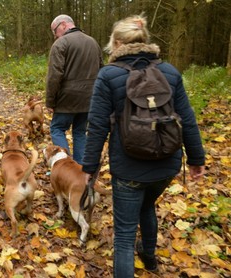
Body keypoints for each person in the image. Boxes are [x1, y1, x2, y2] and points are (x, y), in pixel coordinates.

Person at [81, 15, 205, 277]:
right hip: (166, 164)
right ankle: (149, 258)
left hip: (129, 168)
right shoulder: (169, 72)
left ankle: (142, 256)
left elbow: (97, 127)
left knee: (124, 236)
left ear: (116, 43)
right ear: (144, 40)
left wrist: (89, 167)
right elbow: (188, 120)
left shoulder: (108, 75)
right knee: (147, 206)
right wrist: (196, 160)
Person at [46, 14, 103, 164]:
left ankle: (65, 166)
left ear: (63, 25)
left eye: (55, 31)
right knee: (80, 132)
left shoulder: (60, 44)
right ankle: (80, 171)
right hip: (89, 98)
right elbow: (102, 70)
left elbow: (54, 76)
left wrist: (50, 102)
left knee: (57, 129)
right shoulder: (93, 42)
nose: (54, 36)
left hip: (67, 98)